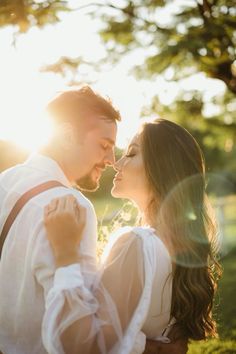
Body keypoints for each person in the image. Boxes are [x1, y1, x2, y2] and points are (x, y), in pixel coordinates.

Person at [42, 119, 221, 354]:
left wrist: (65, 253)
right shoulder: (176, 247)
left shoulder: (136, 242)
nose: (117, 163)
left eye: (132, 153)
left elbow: (84, 347)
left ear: (162, 167)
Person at [0, 86, 120, 354]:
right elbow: (77, 329)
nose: (111, 160)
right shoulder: (73, 206)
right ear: (67, 135)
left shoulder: (4, 183)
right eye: (104, 146)